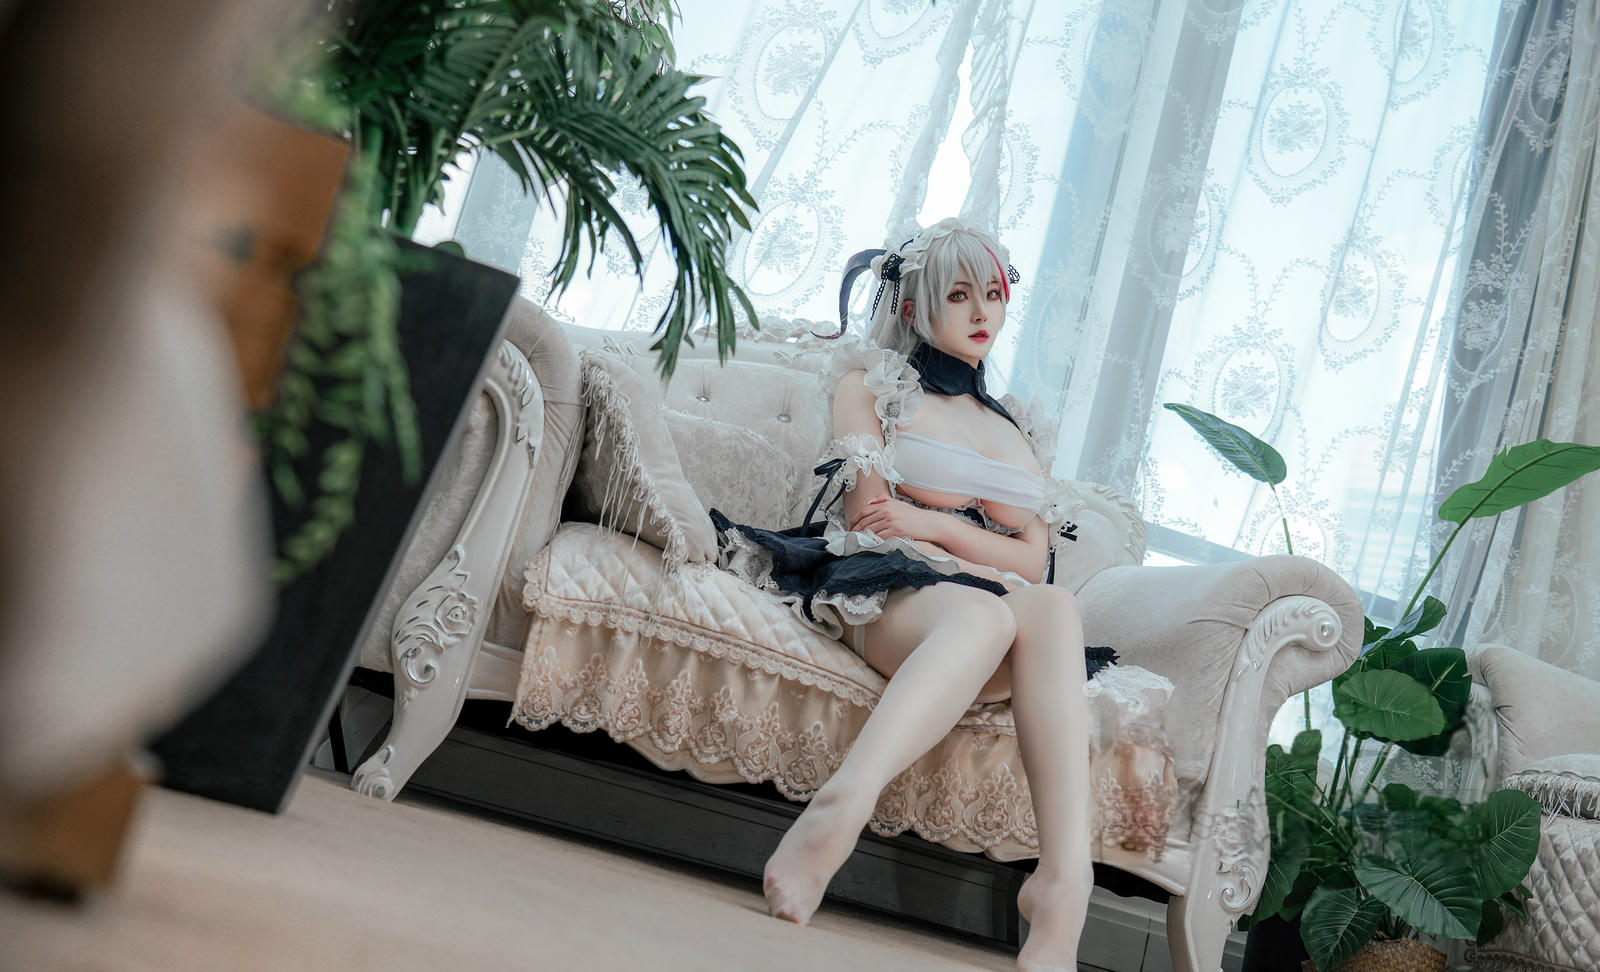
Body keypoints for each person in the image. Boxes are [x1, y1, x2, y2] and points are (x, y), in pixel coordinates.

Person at [708, 218, 1112, 970]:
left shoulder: (1018, 426)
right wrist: (949, 537)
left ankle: (1065, 883)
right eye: (958, 296)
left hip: (984, 609)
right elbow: (870, 514)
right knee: (987, 615)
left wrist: (934, 522)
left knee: (1053, 609)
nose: (982, 312)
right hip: (888, 589)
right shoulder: (874, 386)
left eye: (993, 294)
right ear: (911, 307)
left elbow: (1033, 561)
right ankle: (839, 809)